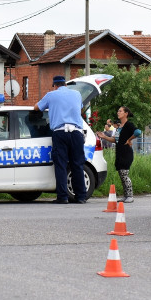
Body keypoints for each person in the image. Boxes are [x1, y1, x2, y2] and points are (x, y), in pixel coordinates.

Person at [34, 75, 87, 204]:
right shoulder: (77, 94)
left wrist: (51, 107)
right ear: (66, 84)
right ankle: (81, 197)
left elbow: (36, 108)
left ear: (55, 85)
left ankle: (62, 197)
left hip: (60, 133)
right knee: (77, 165)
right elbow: (79, 109)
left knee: (61, 165)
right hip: (76, 133)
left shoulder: (51, 95)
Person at [97, 106, 136, 203]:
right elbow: (115, 140)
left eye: (120, 111)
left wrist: (129, 139)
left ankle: (130, 195)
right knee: (121, 174)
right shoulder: (119, 127)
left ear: (126, 113)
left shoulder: (128, 125)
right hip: (119, 152)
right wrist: (104, 137)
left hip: (126, 152)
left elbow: (138, 132)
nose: (118, 112)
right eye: (118, 111)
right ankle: (126, 195)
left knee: (124, 174)